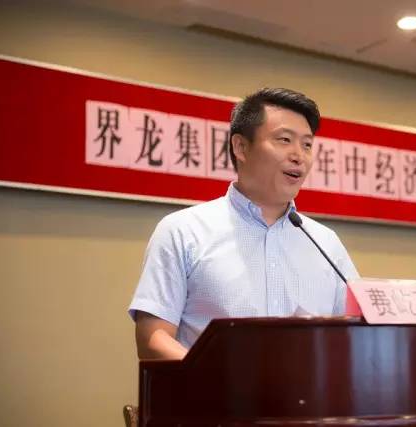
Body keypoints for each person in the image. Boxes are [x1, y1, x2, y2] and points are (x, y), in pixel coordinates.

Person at [128, 88, 359, 360]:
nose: (299, 155)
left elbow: (357, 337)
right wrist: (219, 378)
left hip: (307, 389)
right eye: (284, 140)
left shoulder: (326, 243)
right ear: (241, 147)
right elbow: (153, 338)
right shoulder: (183, 231)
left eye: (307, 145)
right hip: (212, 388)